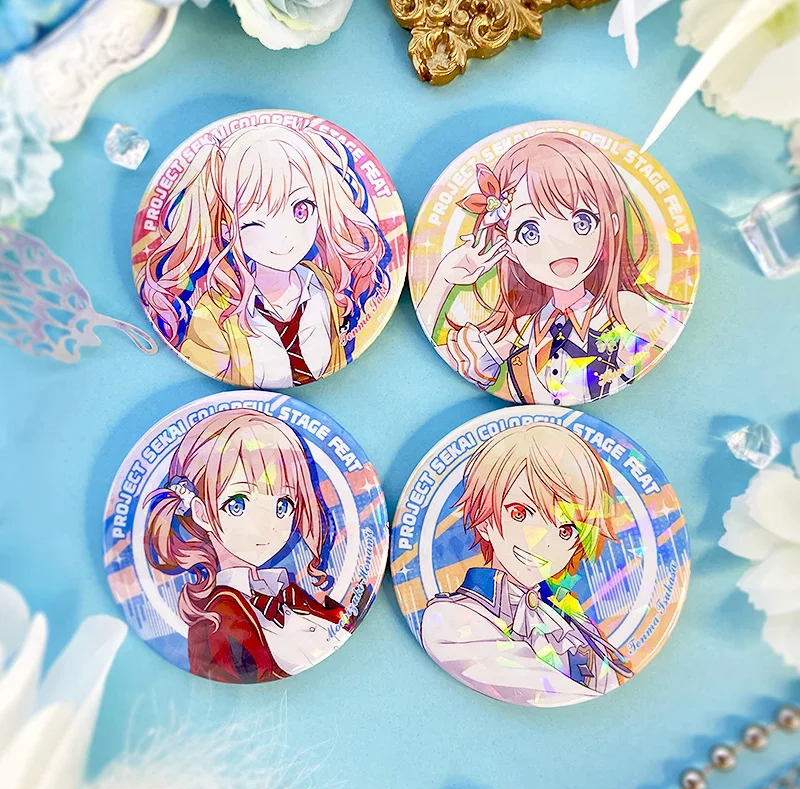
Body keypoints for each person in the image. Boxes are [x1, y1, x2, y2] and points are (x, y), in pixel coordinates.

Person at [417, 132, 683, 404]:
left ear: (611, 226)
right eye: (530, 232)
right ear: (509, 247)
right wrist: (444, 279)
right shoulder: (523, 330)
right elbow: (439, 349)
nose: (558, 244)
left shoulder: (624, 309)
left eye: (581, 222)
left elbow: (669, 331)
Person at [137, 125, 390, 388]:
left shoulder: (326, 287)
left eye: (301, 210)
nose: (285, 237)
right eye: (255, 223)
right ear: (226, 228)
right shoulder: (212, 317)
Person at [421, 422, 633, 706]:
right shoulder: (450, 619)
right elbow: (538, 689)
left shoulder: (572, 622)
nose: (542, 542)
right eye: (520, 513)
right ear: (484, 519)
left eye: (566, 530)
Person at [144, 409, 348, 683]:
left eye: (283, 505)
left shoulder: (286, 593)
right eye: (238, 504)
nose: (268, 525)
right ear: (202, 513)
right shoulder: (214, 624)